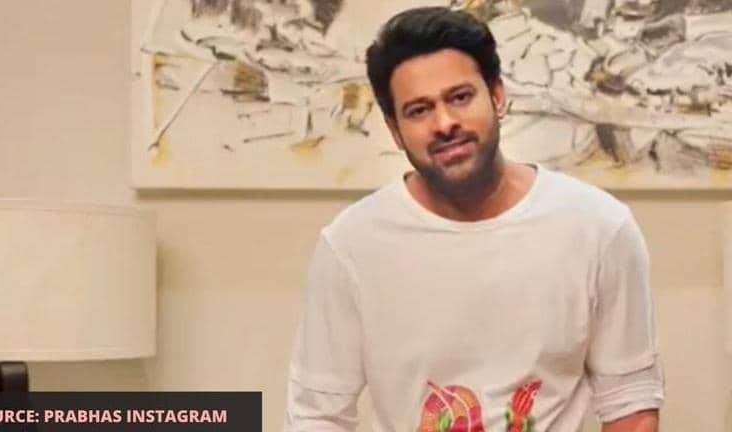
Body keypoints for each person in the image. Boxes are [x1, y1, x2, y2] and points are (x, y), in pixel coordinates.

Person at [284, 6, 664, 432]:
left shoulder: (599, 228)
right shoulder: (351, 245)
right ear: (394, 131)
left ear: (497, 96)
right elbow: (316, 415)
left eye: (460, 98)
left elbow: (631, 404)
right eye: (419, 110)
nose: (445, 123)